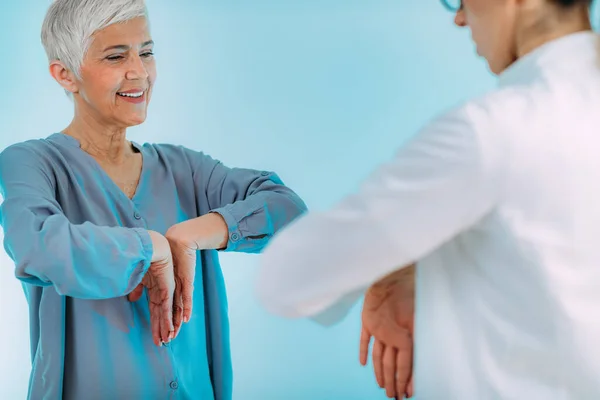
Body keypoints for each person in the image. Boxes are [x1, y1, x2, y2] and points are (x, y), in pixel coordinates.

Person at [256, 0, 600, 399]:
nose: (459, 16)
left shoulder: (492, 132)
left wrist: (394, 257)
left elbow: (285, 278)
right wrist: (421, 266)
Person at [0, 0, 307, 399]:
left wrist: (193, 234)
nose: (140, 72)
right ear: (65, 74)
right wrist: (151, 249)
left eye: (146, 52)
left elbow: (288, 208)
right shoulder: (31, 163)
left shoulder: (185, 169)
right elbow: (38, 246)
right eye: (116, 56)